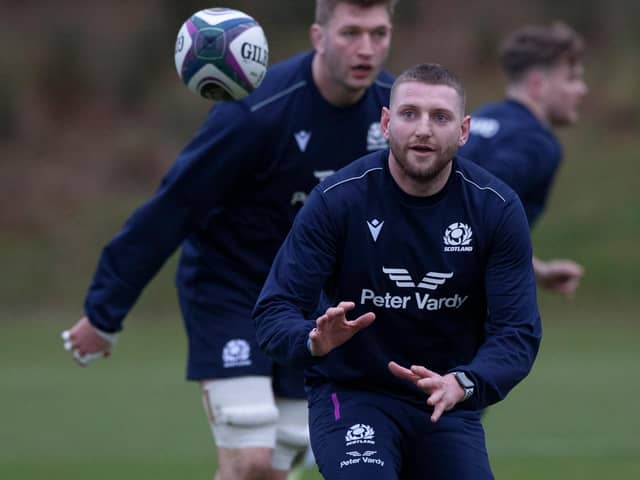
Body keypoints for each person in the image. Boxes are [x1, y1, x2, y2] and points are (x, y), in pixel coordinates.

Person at [61, 1, 398, 479]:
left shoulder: (399, 114)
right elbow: (173, 207)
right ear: (318, 37)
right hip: (231, 288)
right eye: (350, 33)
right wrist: (104, 312)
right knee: (252, 455)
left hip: (315, 303)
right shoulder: (255, 114)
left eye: (378, 33)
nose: (366, 48)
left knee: (274, 465)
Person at [253, 63, 542, 479]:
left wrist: (466, 382)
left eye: (440, 117)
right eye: (409, 114)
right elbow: (273, 310)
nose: (423, 129)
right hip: (352, 393)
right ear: (387, 123)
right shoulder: (338, 200)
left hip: (445, 400)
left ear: (463, 131)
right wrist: (313, 340)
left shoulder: (495, 207)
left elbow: (517, 332)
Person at [459, 21, 588, 297]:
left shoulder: (481, 117)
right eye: (572, 78)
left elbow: (478, 223)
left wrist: (538, 270)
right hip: (454, 297)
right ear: (537, 85)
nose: (582, 90)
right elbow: (474, 211)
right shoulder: (537, 143)